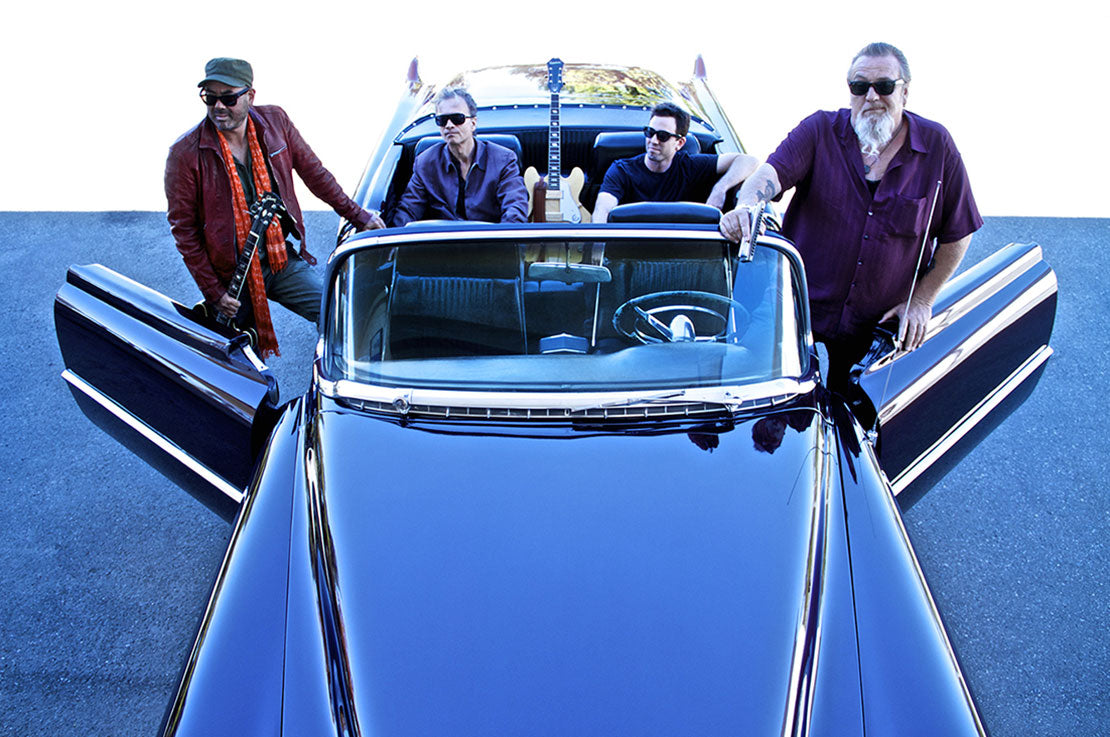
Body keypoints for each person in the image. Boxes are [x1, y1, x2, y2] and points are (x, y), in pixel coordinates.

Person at [720, 42, 982, 388]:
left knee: (862, 425)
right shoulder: (819, 130)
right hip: (796, 309)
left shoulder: (937, 147)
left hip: (875, 328)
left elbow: (958, 230)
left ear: (905, 91)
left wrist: (921, 301)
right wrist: (746, 205)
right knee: (763, 405)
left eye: (884, 86)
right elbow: (768, 176)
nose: (872, 97)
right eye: (860, 87)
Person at [165, 57, 383, 358]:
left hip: (277, 257)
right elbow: (185, 232)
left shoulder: (275, 123)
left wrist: (358, 216)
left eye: (228, 98)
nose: (218, 107)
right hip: (231, 276)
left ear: (250, 96)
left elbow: (314, 174)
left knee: (338, 314)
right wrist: (214, 293)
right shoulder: (185, 154)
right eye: (210, 98)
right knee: (241, 362)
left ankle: (348, 386)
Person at [592, 102, 759, 222]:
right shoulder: (621, 170)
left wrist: (720, 188)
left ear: (679, 143)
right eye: (650, 132)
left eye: (663, 136)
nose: (654, 141)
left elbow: (748, 161)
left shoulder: (690, 165)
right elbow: (602, 209)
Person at [392, 87, 528, 226]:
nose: (449, 125)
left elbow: (515, 209)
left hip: (490, 243)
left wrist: (502, 242)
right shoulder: (425, 163)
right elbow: (407, 212)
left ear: (473, 123)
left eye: (457, 118)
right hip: (441, 244)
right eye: (442, 120)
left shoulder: (503, 160)